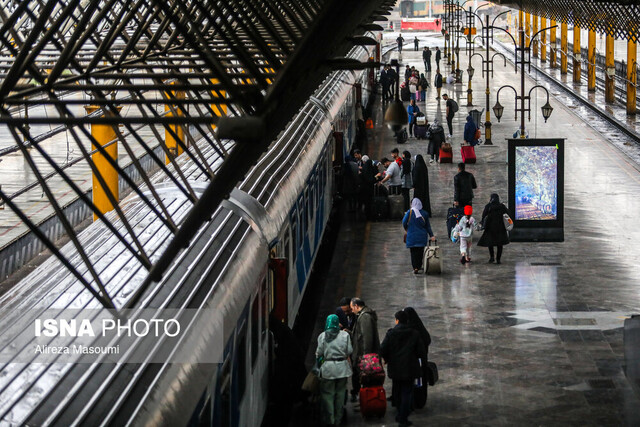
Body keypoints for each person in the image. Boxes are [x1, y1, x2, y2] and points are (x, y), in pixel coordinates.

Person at [380, 310, 427, 427]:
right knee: (407, 392)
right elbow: (421, 352)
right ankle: (403, 417)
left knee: (397, 391)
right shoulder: (415, 334)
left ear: (397, 320)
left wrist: (387, 358)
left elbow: (382, 349)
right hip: (410, 368)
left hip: (395, 368)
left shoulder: (391, 333)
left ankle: (399, 414)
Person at [316, 314, 353, 427]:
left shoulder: (322, 336)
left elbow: (319, 353)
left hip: (328, 369)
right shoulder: (345, 335)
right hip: (342, 368)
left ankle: (330, 420)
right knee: (340, 394)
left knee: (328, 395)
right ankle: (338, 419)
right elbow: (349, 351)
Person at [349, 298, 380, 402]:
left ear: (357, 306)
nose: (352, 310)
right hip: (360, 354)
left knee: (362, 378)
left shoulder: (365, 317)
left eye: (352, 308)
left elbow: (367, 338)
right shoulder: (363, 316)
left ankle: (363, 399)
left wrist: (366, 358)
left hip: (363, 355)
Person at [403, 307, 431, 407]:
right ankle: (421, 400)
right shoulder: (420, 327)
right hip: (421, 360)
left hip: (412, 361)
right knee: (421, 381)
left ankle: (412, 400)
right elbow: (427, 340)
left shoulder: (409, 329)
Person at [402, 198, 435, 274]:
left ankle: (415, 267)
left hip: (411, 236)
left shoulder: (409, 213)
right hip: (422, 236)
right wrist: (431, 235)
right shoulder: (425, 213)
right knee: (420, 252)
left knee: (413, 252)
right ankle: (419, 266)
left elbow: (404, 222)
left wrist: (407, 228)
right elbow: (428, 226)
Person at [477, 193, 510, 264]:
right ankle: (498, 259)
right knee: (500, 245)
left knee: (490, 243)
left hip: (490, 228)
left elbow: (483, 216)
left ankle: (492, 257)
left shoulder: (488, 206)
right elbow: (508, 214)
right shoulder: (502, 206)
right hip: (500, 228)